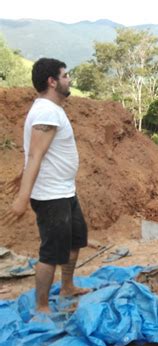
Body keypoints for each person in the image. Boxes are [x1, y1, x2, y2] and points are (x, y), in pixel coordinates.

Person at [1, 58, 89, 313]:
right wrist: (22, 197)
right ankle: (41, 307)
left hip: (64, 191)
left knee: (75, 240)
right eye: (65, 75)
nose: (69, 79)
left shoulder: (51, 108)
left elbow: (37, 152)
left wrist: (21, 176)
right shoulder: (47, 112)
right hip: (51, 197)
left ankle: (67, 287)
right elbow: (36, 156)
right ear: (52, 81)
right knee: (51, 254)